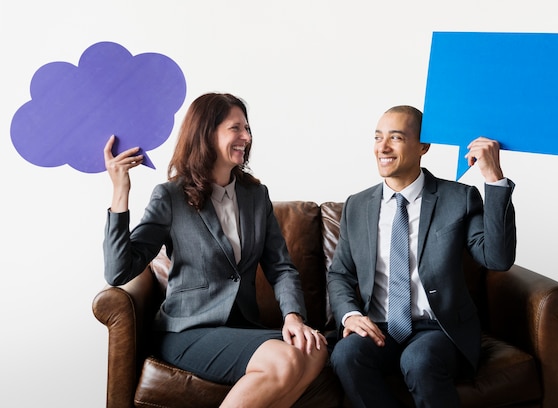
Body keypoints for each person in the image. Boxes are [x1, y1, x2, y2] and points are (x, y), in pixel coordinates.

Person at [103, 92, 328, 408]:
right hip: (188, 329)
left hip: (241, 326)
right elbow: (118, 270)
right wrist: (120, 191)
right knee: (283, 360)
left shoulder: (255, 195)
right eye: (235, 128)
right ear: (206, 134)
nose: (246, 138)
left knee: (314, 350)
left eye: (247, 129)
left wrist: (293, 317)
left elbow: (281, 267)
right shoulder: (170, 197)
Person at [327, 105, 516, 408]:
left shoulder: (458, 198)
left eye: (396, 138)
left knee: (419, 360)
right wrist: (351, 315)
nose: (383, 148)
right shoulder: (357, 205)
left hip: (437, 327)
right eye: (377, 138)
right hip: (379, 326)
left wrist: (493, 179)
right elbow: (340, 274)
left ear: (423, 146)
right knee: (346, 355)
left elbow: (497, 259)